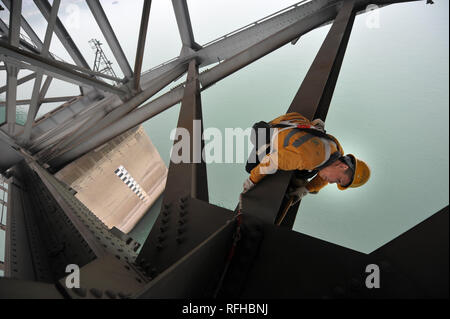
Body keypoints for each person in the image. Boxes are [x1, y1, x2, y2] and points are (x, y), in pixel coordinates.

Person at [242, 112, 370, 203]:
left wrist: (307, 189)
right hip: (273, 129)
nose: (331, 182)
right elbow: (272, 162)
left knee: (312, 172)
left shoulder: (338, 150)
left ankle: (317, 127)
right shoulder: (307, 158)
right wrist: (252, 181)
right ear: (343, 166)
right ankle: (266, 143)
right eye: (338, 180)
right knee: (251, 167)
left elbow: (326, 176)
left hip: (298, 121)